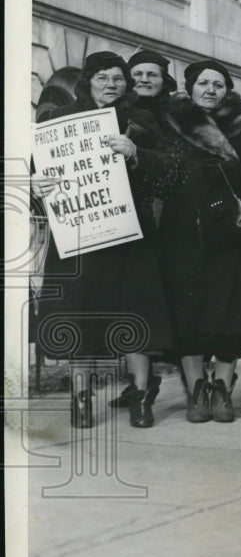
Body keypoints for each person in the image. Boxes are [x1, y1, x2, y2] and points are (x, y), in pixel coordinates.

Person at [33, 51, 182, 428]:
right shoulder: (59, 121)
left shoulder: (142, 120)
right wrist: (38, 184)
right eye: (102, 78)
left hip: (131, 234)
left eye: (118, 78)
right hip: (80, 236)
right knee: (79, 316)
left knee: (136, 315)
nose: (111, 85)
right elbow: (38, 170)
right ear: (88, 82)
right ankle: (81, 399)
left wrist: (137, 154)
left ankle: (141, 398)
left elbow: (171, 172)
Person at [157, 60, 241, 423]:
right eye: (203, 83)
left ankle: (221, 389)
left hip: (231, 232)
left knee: (228, 312)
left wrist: (228, 169)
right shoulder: (169, 122)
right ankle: (196, 390)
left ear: (227, 91)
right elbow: (158, 170)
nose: (210, 90)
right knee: (189, 313)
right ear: (189, 88)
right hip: (182, 232)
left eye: (218, 85)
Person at [106, 49, 181, 412]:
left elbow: (179, 167)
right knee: (132, 303)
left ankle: (196, 384)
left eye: (153, 74)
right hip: (128, 221)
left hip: (173, 222)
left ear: (164, 80)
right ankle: (140, 382)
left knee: (162, 304)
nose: (144, 79)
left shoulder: (179, 117)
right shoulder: (113, 114)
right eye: (137, 73)